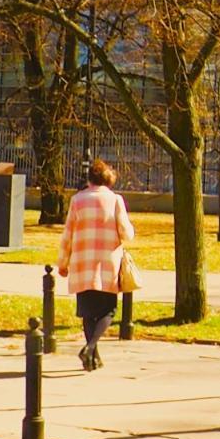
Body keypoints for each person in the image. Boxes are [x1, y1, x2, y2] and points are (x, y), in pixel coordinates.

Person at [57, 159, 135, 372]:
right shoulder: (115, 200)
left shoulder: (77, 200)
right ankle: (90, 348)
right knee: (108, 311)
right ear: (108, 179)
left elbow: (68, 233)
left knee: (88, 312)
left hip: (82, 262)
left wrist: (62, 262)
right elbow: (126, 233)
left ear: (90, 179)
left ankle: (92, 357)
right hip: (107, 262)